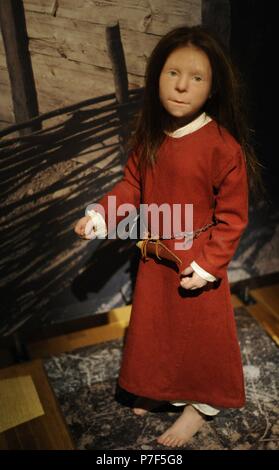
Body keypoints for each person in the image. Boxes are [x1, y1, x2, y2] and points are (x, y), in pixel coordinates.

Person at [74, 25, 264, 448]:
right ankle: (161, 389)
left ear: (213, 89)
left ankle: (198, 408)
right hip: (154, 258)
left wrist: (208, 265)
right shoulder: (150, 135)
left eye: (196, 77)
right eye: (172, 72)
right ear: (156, 75)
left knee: (200, 339)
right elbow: (131, 186)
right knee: (158, 331)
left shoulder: (222, 147)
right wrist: (102, 215)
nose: (181, 85)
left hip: (195, 261)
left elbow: (232, 218)